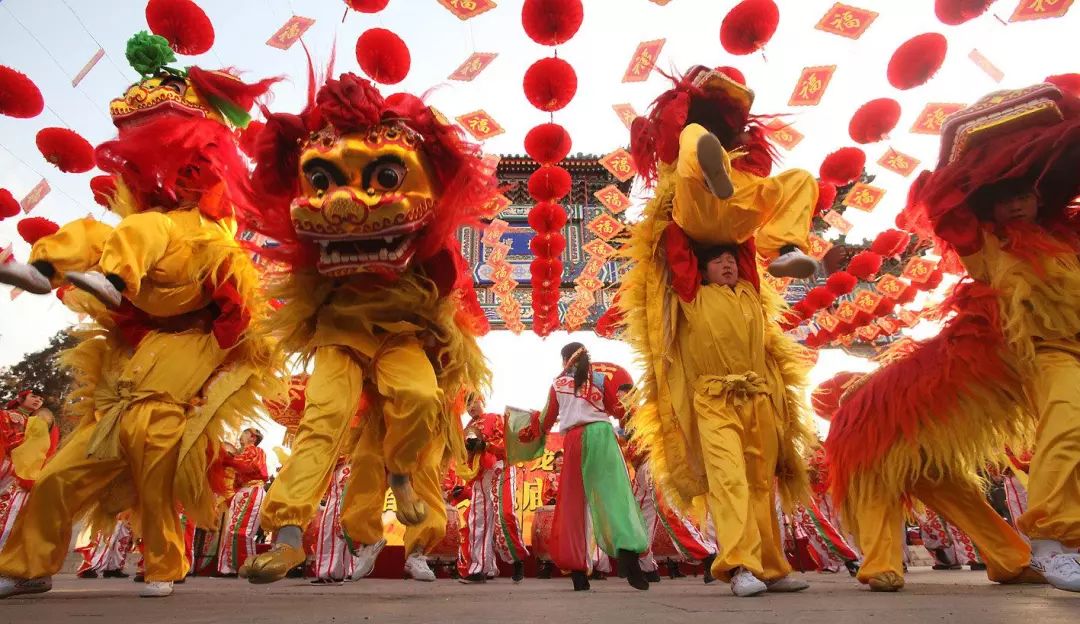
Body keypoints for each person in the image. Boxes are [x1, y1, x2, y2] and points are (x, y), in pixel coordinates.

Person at [0, 33, 278, 600]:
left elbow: (237, 318)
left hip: (192, 306)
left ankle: (164, 563)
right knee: (60, 474)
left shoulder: (207, 215)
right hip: (134, 359)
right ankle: (41, 269)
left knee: (156, 458)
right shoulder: (143, 214)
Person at [238, 72, 494, 584]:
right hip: (341, 336)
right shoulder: (319, 246)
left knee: (420, 402)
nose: (344, 205)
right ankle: (288, 534)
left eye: (383, 178)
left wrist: (448, 347)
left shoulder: (434, 257)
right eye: (324, 182)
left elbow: (451, 301)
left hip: (401, 336)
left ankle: (409, 506)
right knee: (323, 422)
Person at [825, 82, 1079, 592]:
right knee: (882, 472)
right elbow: (947, 205)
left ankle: (1010, 556)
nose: (1013, 204)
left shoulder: (1066, 237)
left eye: (1022, 191)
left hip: (1051, 356)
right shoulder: (986, 245)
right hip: (1026, 359)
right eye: (998, 195)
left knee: (942, 481)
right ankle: (1052, 540)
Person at [518, 344, 650, 591]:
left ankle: (578, 573)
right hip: (601, 436)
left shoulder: (557, 384)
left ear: (565, 360)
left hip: (574, 440)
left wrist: (526, 430)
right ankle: (628, 558)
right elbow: (618, 410)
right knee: (615, 497)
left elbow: (546, 420)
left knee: (572, 504)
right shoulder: (599, 380)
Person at [619, 384, 717, 584]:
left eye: (624, 399)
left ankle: (709, 557)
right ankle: (647, 568)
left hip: (654, 465)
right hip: (639, 472)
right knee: (637, 519)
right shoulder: (624, 421)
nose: (620, 403)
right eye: (619, 400)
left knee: (670, 512)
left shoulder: (645, 413)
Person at [456, 395, 527, 584]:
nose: (470, 407)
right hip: (480, 475)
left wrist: (486, 445)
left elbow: (508, 444)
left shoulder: (494, 418)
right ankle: (477, 568)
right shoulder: (466, 429)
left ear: (482, 401)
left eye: (473, 402)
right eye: (467, 404)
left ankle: (517, 559)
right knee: (477, 520)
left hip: (500, 469)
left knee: (504, 515)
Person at [0, 390, 57, 550]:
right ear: (20, 398)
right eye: (34, 396)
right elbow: (7, 438)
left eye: (41, 398)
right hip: (8, 465)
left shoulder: (40, 421)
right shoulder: (6, 415)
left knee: (16, 512)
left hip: (27, 469)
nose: (38, 400)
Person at [216, 429, 268, 577]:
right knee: (230, 531)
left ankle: (247, 568)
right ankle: (230, 568)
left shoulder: (257, 451)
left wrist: (227, 459)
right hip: (241, 493)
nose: (240, 436)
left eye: (244, 433)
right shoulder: (239, 454)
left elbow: (250, 466)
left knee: (243, 531)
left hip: (253, 490)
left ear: (253, 437)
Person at [76, 515, 133, 579]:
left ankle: (112, 569)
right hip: (112, 518)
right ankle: (89, 568)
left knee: (119, 545)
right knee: (105, 545)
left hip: (123, 519)